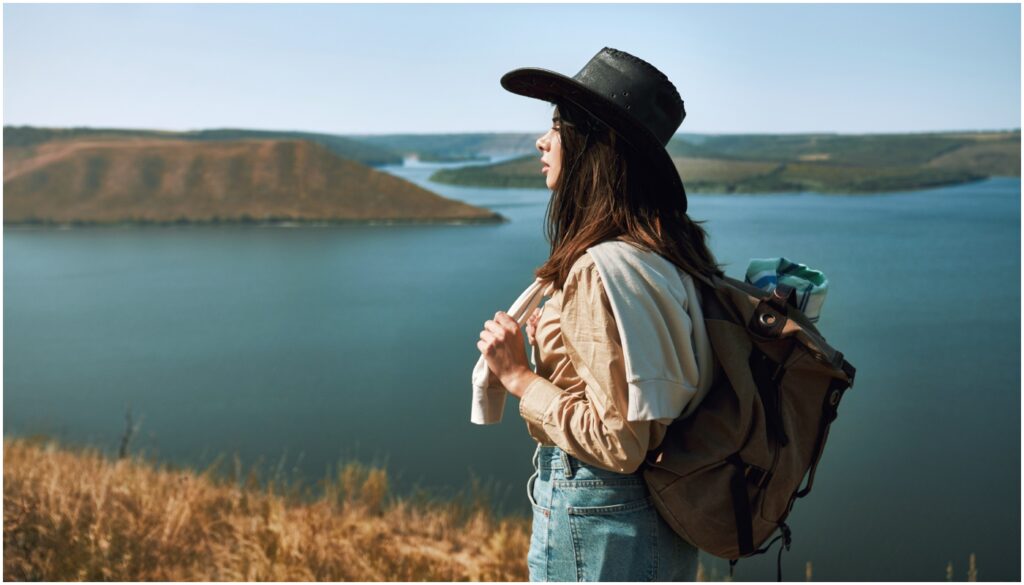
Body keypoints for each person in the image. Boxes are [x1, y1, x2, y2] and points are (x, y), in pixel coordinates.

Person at [476, 47, 723, 582]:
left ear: (594, 146)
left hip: (603, 517)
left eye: (557, 126)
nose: (542, 141)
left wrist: (518, 376)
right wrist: (559, 351)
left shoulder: (599, 267)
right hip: (653, 516)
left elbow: (620, 442)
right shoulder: (661, 251)